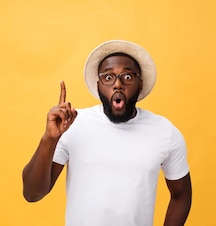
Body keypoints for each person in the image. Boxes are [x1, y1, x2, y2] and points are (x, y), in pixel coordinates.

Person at [22, 40, 192, 226]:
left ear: (140, 84)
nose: (118, 84)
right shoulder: (73, 125)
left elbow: (181, 195)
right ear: (98, 85)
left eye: (127, 77)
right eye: (108, 77)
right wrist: (50, 139)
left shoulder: (164, 132)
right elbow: (32, 193)